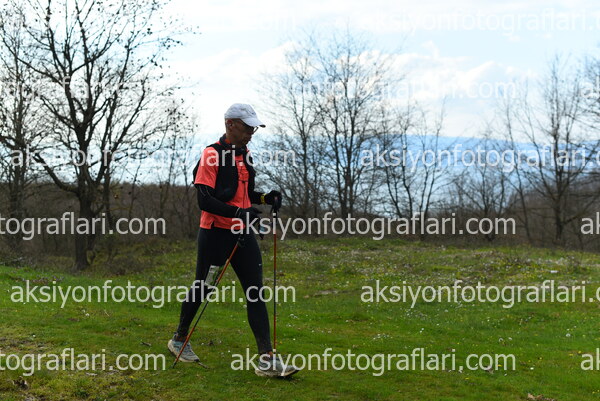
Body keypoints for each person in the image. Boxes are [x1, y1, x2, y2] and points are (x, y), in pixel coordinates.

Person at [168, 103, 296, 377]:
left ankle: (267, 359)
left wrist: (266, 198)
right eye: (248, 127)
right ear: (231, 124)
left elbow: (245, 196)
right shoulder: (211, 155)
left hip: (243, 234)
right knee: (203, 288)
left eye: (254, 129)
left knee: (255, 292)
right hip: (215, 234)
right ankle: (179, 338)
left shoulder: (244, 155)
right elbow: (204, 200)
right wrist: (238, 212)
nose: (251, 133)